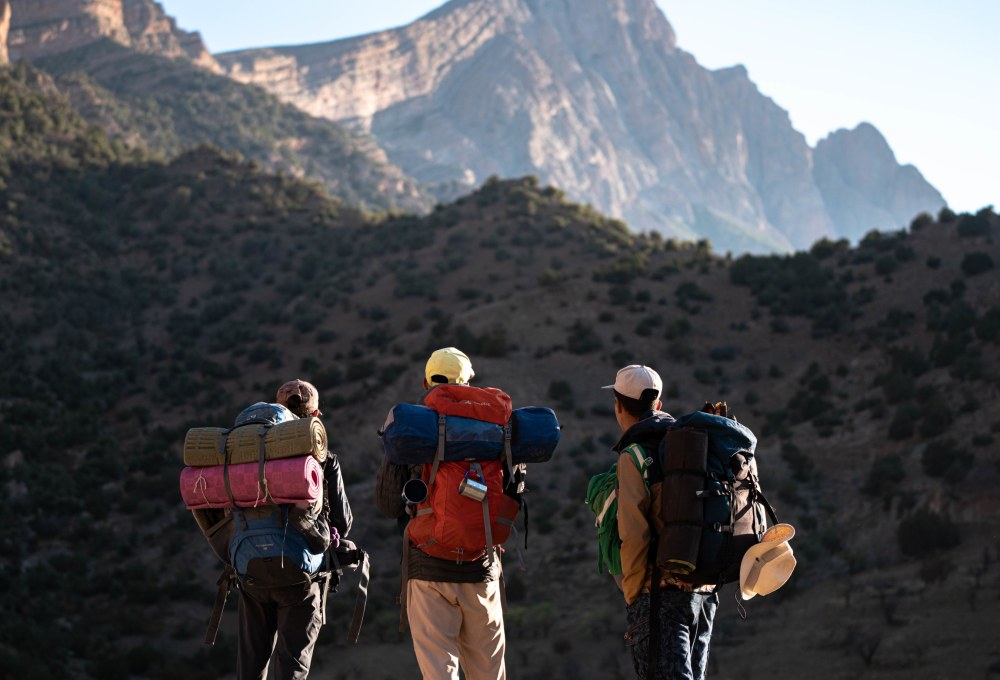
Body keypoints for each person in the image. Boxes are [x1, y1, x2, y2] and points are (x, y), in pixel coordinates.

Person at [375, 348, 508, 680]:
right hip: (481, 567)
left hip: (428, 566)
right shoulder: (494, 426)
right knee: (489, 674)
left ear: (426, 383)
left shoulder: (412, 429)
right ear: (467, 384)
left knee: (439, 673)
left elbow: (389, 504)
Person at [233, 379, 353, 680]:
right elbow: (342, 524)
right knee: (292, 667)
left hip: (251, 570)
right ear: (315, 416)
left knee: (250, 666)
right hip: (301, 574)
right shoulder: (323, 459)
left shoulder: (246, 456)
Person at [604, 365, 718, 680]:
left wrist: (633, 593)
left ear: (618, 406)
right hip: (703, 593)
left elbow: (634, 534)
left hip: (658, 594)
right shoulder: (690, 446)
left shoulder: (634, 456)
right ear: (659, 404)